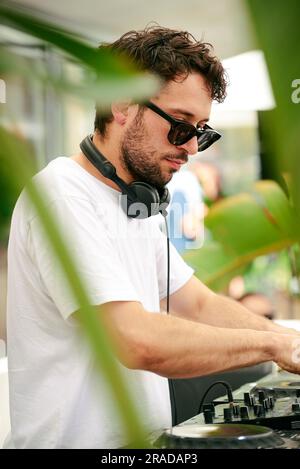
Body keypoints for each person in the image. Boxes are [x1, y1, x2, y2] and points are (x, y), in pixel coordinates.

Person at [5, 26, 300, 449]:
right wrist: (273, 346)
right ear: (124, 106)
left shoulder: (138, 201)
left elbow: (198, 303)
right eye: (181, 126)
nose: (193, 148)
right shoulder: (62, 195)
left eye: (202, 131)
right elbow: (135, 340)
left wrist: (293, 343)